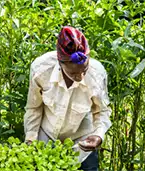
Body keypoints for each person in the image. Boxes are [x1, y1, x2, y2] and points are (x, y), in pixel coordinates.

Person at [24, 26, 112, 171]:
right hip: (46, 134)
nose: (80, 77)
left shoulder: (97, 74)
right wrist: (31, 139)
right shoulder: (41, 69)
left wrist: (98, 135)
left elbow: (101, 111)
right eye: (73, 73)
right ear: (60, 63)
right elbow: (34, 107)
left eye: (84, 70)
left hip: (82, 139)